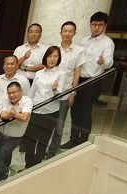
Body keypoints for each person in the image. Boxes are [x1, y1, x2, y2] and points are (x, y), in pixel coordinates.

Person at [66, 11, 114, 148]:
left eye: (100, 24)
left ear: (105, 26)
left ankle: (83, 141)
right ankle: (73, 139)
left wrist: (103, 62)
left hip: (93, 81)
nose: (96, 27)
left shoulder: (108, 42)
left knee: (86, 111)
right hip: (78, 79)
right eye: (94, 24)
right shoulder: (83, 41)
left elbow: (109, 63)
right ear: (90, 25)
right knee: (75, 110)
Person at [25, 46, 71, 167]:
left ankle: (36, 166)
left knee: (43, 141)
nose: (52, 59)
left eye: (55, 56)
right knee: (30, 140)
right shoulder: (39, 73)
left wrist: (55, 90)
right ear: (46, 57)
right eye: (50, 56)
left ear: (59, 58)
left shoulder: (61, 73)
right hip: (35, 110)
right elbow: (31, 93)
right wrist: (27, 109)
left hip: (50, 112)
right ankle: (28, 165)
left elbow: (61, 97)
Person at [51, 21, 84, 157]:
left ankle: (52, 152)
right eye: (65, 31)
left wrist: (73, 93)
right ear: (60, 32)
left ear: (74, 33)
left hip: (65, 93)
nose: (67, 33)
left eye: (70, 31)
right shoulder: (53, 49)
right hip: (50, 93)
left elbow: (77, 72)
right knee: (46, 124)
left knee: (59, 126)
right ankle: (41, 148)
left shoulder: (78, 51)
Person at [0, 82, 33, 183]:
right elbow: (3, 115)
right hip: (0, 135)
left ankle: (4, 171)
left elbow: (24, 117)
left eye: (14, 92)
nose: (11, 95)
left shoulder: (27, 101)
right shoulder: (5, 100)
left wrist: (15, 114)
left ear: (21, 91)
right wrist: (14, 115)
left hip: (14, 138)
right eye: (9, 93)